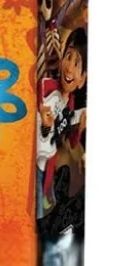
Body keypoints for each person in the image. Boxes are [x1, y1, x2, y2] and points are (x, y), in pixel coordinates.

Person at [36, 28, 88, 216]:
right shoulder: (45, 87)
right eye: (68, 57)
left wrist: (80, 129)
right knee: (38, 212)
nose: (69, 68)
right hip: (36, 162)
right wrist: (44, 123)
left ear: (82, 79)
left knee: (47, 207)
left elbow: (70, 141)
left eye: (77, 63)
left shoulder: (71, 104)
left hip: (50, 165)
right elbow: (35, 129)